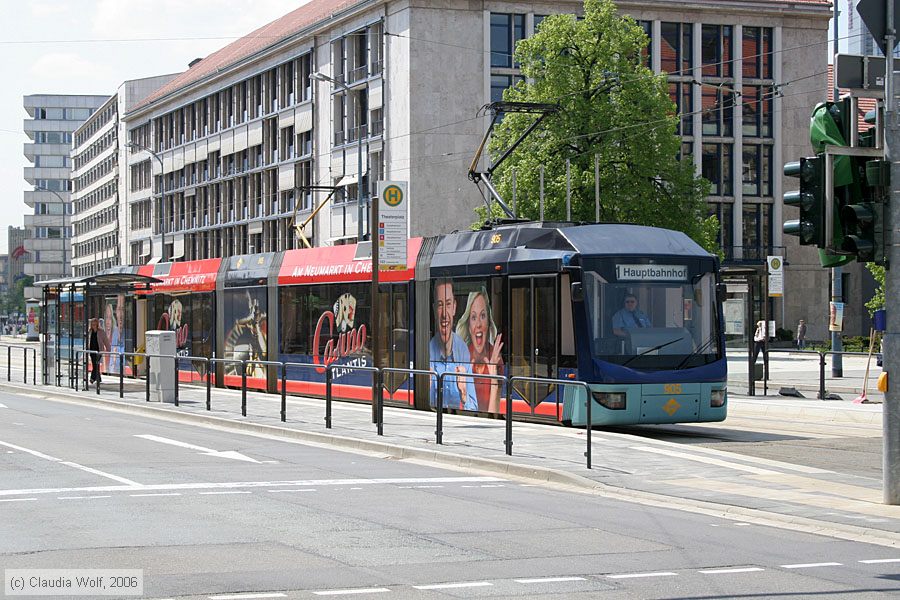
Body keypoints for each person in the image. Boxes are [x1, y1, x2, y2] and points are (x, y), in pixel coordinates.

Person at [429, 279, 477, 410]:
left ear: (454, 307)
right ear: (434, 310)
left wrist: (464, 394)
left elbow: (474, 407)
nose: (444, 314)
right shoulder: (426, 350)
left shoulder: (463, 350)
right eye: (440, 305)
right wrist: (427, 388)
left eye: (448, 304)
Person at [455, 288, 504, 413]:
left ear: (488, 322)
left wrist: (494, 380)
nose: (478, 324)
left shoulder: (496, 359)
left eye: (483, 316)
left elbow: (494, 415)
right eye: (473, 317)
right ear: (468, 325)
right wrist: (465, 395)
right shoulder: (461, 358)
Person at [88, 318, 110, 384]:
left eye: (95, 324)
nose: (93, 325)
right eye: (92, 324)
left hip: (98, 350)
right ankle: (98, 379)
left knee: (95, 364)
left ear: (97, 324)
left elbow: (105, 340)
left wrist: (108, 349)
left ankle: (92, 378)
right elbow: (87, 341)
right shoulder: (90, 331)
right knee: (95, 364)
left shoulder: (101, 331)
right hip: (91, 350)